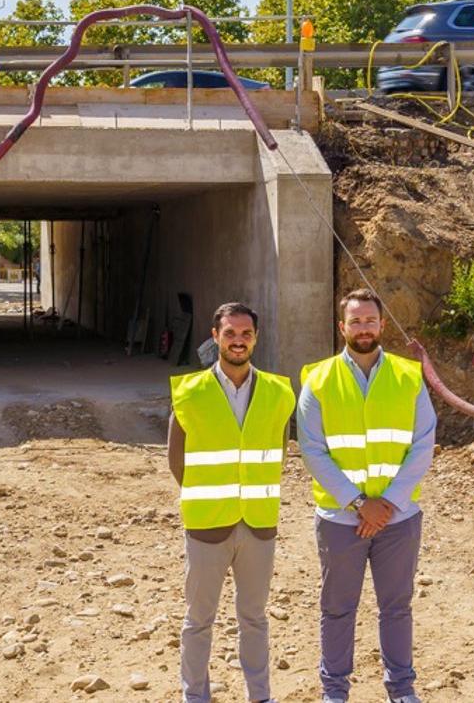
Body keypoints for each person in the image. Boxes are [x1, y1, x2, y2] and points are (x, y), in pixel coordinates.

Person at [297, 289, 436, 703]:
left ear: (382, 325)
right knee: (338, 610)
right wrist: (361, 503)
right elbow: (312, 449)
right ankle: (334, 692)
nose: (363, 328)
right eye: (355, 321)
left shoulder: (408, 377)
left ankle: (401, 690)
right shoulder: (318, 380)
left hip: (399, 519)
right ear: (342, 328)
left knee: (397, 608)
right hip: (342, 519)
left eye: (369, 321)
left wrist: (388, 503)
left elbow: (423, 443)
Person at [168, 301, 296, 703]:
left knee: (255, 618)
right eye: (230, 334)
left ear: (255, 338)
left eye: (245, 334)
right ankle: (196, 696)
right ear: (215, 337)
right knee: (199, 619)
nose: (238, 341)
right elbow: (177, 458)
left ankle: (260, 696)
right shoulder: (190, 392)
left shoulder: (278, 392)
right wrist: (209, 495)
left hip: (258, 524)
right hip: (208, 524)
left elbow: (278, 451)